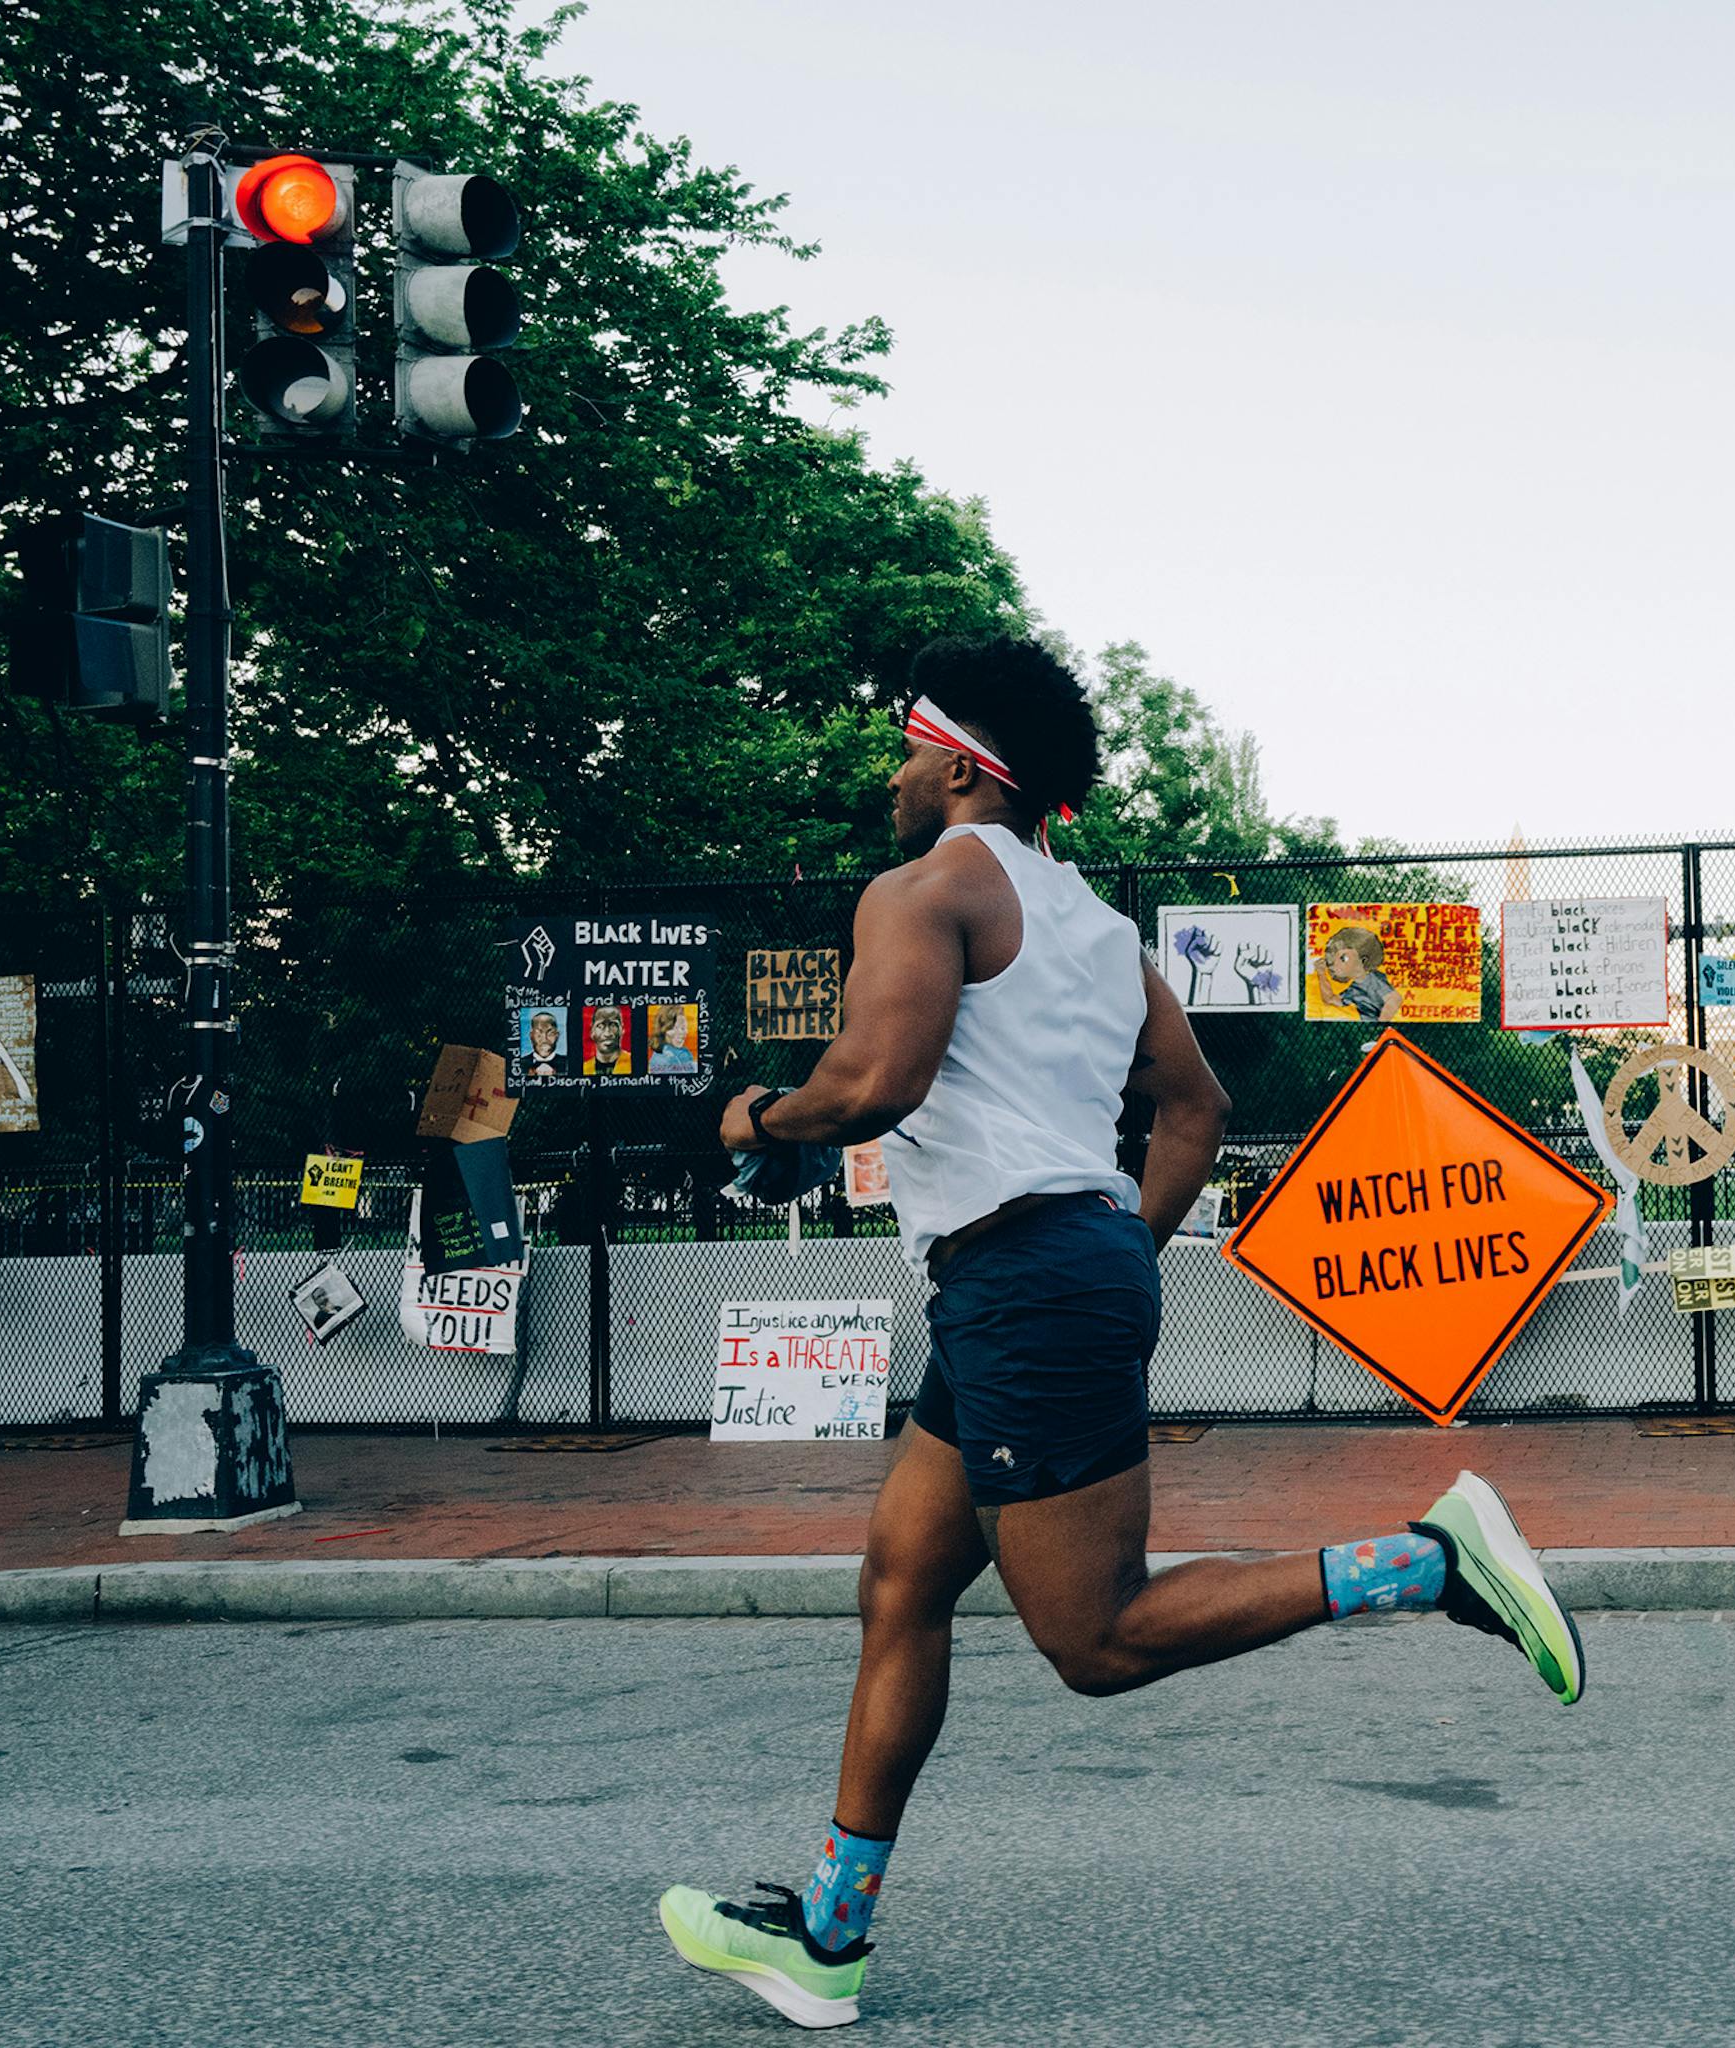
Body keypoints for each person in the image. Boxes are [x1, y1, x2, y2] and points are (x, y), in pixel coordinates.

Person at [658, 636, 1581, 2031]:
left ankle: (1430, 1562)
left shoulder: (920, 892)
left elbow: (873, 1077)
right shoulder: (1095, 928)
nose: (893, 771)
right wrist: (1106, 1252)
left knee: (1096, 1639)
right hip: (1031, 1275)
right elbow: (1193, 1111)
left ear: (968, 764)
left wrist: (755, 1123)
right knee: (902, 1579)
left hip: (1025, 1273)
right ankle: (829, 1936)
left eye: (910, 746)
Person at [1316, 922, 1402, 1021]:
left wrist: (1381, 1022)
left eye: (1343, 958)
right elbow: (1330, 999)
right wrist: (1321, 974)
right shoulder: (1354, 988)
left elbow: (1395, 998)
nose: (1336, 964)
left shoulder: (1373, 979)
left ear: (1363, 960)